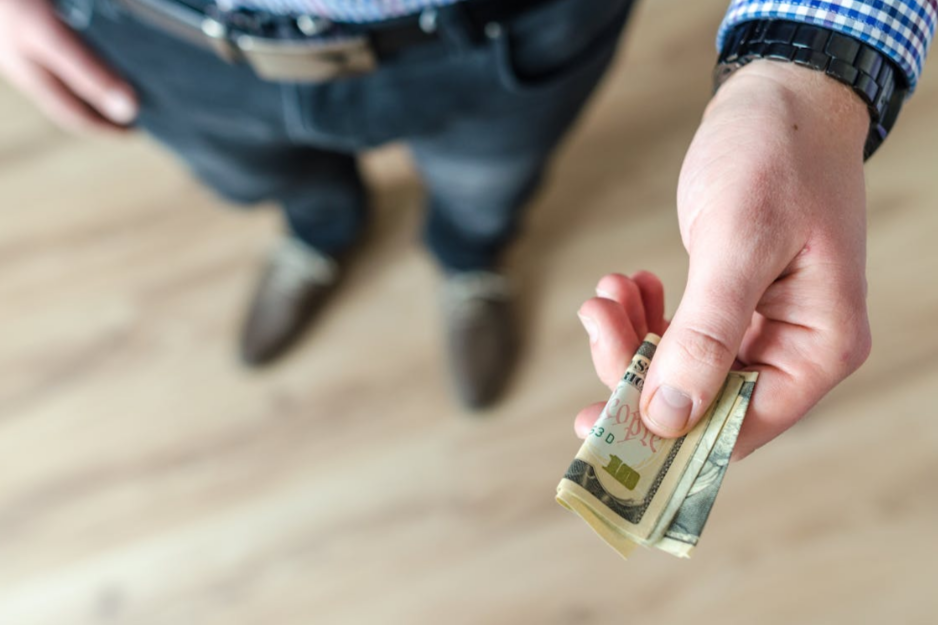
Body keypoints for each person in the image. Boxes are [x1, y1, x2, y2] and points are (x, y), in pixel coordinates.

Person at [0, 1, 931, 452]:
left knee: (488, 190)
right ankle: (322, 234)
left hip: (505, 28)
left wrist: (810, 71)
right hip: (154, 37)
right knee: (259, 181)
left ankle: (469, 259)